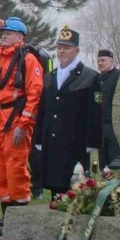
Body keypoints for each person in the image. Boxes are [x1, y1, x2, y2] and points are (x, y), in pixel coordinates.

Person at [0, 17, 44, 216]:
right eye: (3, 33)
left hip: (15, 122)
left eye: (8, 33)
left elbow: (35, 93)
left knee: (16, 168)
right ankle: (6, 217)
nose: (4, 36)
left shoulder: (28, 59)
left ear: (20, 36)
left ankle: (20, 217)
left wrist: (23, 124)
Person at [34, 26, 99, 196]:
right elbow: (43, 109)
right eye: (59, 47)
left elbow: (95, 112)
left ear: (76, 50)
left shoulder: (89, 76)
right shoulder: (49, 76)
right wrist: (39, 136)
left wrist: (92, 142)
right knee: (54, 182)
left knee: (74, 183)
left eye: (67, 48)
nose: (62, 51)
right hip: (52, 138)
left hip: (75, 140)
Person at [93, 48, 120, 169]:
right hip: (101, 125)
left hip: (115, 124)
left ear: (112, 61)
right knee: (102, 163)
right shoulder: (97, 79)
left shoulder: (119, 77)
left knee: (116, 161)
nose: (100, 63)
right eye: (98, 61)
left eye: (103, 60)